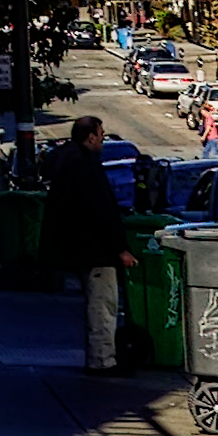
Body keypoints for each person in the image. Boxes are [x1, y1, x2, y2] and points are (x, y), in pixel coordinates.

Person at [48, 130, 133, 370]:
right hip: (96, 250)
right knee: (103, 305)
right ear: (91, 138)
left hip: (82, 247)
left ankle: (101, 357)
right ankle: (102, 360)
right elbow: (101, 211)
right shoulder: (85, 166)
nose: (103, 141)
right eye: (101, 136)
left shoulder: (67, 162)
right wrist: (120, 249)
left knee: (98, 303)